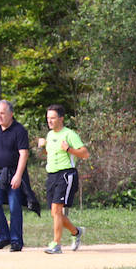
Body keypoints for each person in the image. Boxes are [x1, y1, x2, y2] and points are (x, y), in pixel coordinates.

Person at [0, 100, 32, 252]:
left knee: (14, 206)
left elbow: (24, 154)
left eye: (3, 113)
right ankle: (4, 237)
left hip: (14, 173)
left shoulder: (19, 130)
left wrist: (18, 175)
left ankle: (16, 241)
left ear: (11, 114)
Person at [40, 105, 88, 254]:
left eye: (53, 118)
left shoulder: (69, 134)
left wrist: (69, 150)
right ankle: (76, 232)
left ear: (61, 118)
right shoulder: (49, 135)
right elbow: (48, 154)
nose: (50, 121)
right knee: (55, 214)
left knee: (57, 209)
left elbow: (85, 154)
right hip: (52, 175)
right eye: (48, 118)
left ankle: (56, 244)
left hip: (66, 174)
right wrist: (42, 148)